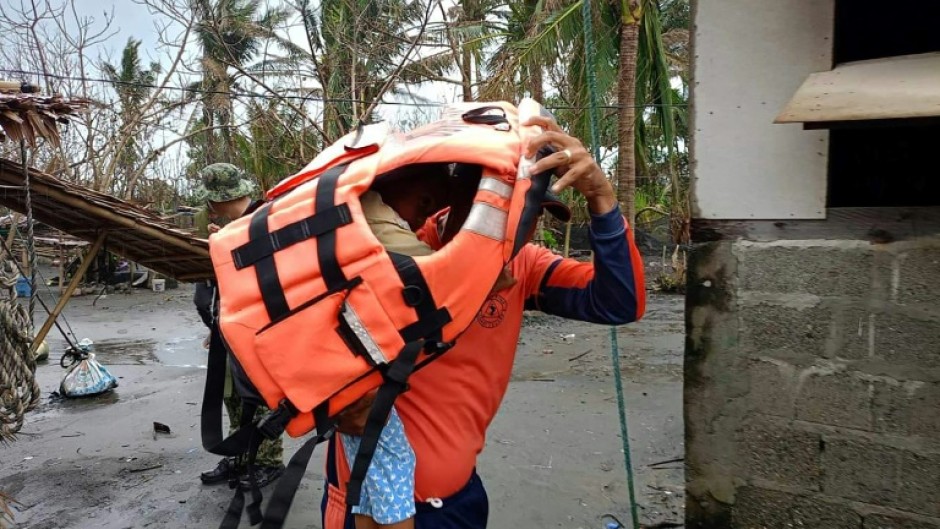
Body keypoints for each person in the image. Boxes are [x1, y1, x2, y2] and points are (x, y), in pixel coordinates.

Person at [321, 116, 647, 529]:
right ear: (467, 197)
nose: (520, 229)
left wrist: (601, 198)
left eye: (531, 216)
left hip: (460, 497)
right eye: (510, 209)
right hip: (368, 504)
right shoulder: (387, 254)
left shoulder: (523, 267)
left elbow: (620, 303)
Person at [192, 163, 286, 491]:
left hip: (259, 329)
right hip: (230, 327)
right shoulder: (233, 227)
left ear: (218, 199)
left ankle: (269, 461)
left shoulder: (264, 221)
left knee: (259, 395)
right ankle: (240, 455)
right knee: (232, 394)